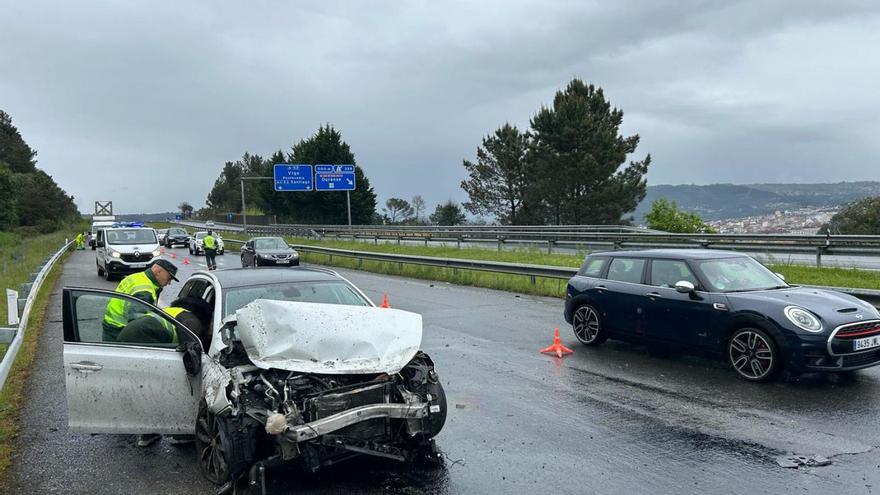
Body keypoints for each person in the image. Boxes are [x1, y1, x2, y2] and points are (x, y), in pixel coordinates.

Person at [116, 295, 211, 447]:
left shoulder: (172, 311)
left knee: (148, 391)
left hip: (123, 346)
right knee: (176, 387)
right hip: (141, 348)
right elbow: (193, 355)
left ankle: (148, 434)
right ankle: (181, 434)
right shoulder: (191, 321)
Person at [102, 259, 178, 342]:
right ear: (158, 272)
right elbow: (137, 323)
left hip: (111, 325)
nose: (169, 282)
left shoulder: (137, 277)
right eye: (169, 278)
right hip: (120, 330)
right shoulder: (144, 291)